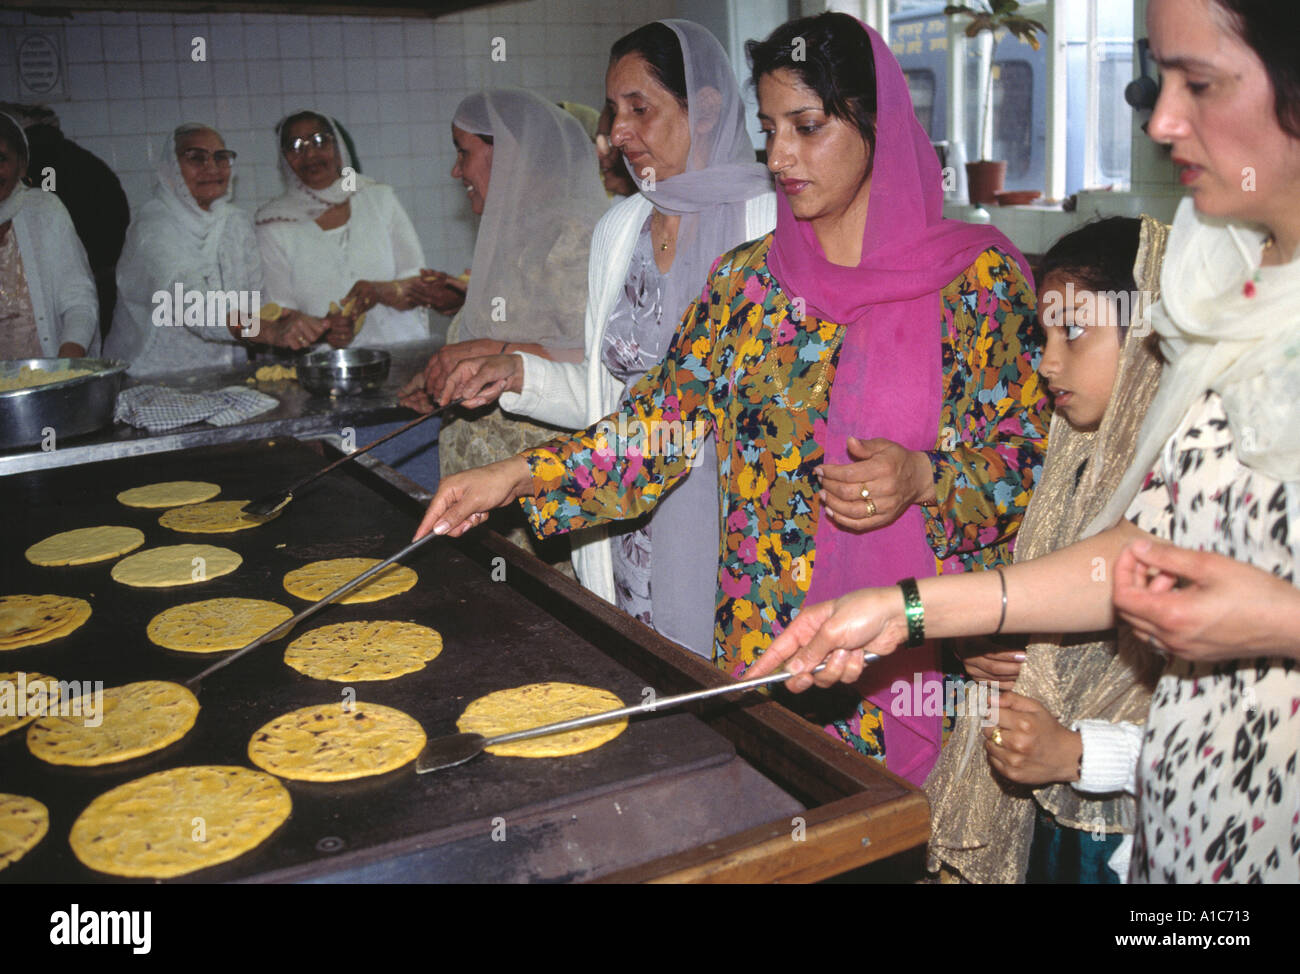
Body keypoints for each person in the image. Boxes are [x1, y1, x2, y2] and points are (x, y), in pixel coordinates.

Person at [415, 13, 1048, 786]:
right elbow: (660, 431)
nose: (779, 156)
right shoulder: (750, 282)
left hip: (912, 659)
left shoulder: (975, 283)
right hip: (767, 650)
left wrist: (926, 480)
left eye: (808, 127)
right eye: (772, 128)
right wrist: (514, 478)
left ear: (877, 125)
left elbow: (1030, 467)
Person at [751, 0, 1300, 882]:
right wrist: (908, 609)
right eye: (1160, 81)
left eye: (1199, 82)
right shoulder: (1239, 299)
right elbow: (1138, 551)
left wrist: (1276, 618)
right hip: (1186, 834)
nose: (1160, 121)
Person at [422, 20, 779, 659]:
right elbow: (607, 402)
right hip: (623, 517)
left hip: (735, 527)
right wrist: (520, 374)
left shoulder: (773, 221)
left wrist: (521, 474)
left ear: (706, 109)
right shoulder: (621, 230)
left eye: (640, 108)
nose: (617, 134)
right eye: (615, 111)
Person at [925, 216, 1168, 885]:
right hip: (1047, 829)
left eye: (1075, 332)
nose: (1047, 362)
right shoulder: (1073, 465)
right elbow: (1033, 601)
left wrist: (1078, 753)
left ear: (1151, 331)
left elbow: (1224, 745)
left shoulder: (1186, 489)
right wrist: (988, 650)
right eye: (1044, 334)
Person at [398, 88, 609, 555]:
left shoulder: (576, 238)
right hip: (485, 495)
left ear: (513, 154)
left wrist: (490, 352)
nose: (456, 171)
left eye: (463, 152)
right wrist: (444, 375)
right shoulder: (509, 231)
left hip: (535, 494)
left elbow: (600, 364)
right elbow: (514, 332)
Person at [255, 110, 444, 351]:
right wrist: (325, 332)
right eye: (296, 146)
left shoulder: (378, 197)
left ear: (338, 145)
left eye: (319, 141)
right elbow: (280, 313)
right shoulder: (273, 223)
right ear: (285, 158)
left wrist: (380, 292)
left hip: (404, 349)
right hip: (327, 364)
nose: (310, 153)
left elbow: (420, 285)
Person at [106, 124, 279, 377]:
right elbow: (192, 303)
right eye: (196, 158)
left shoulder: (235, 222)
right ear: (170, 169)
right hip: (153, 375)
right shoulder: (154, 227)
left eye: (220, 157)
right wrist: (266, 331)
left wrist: (288, 323)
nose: (211, 167)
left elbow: (257, 298)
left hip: (227, 372)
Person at [1, 103, 129, 341]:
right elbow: (118, 218)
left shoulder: (36, 177)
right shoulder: (88, 162)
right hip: (99, 281)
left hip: (70, 297)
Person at [0, 111, 98, 360]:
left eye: (0, 158)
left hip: (45, 380)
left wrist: (65, 366)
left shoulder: (44, 211)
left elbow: (78, 300)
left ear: (21, 165)